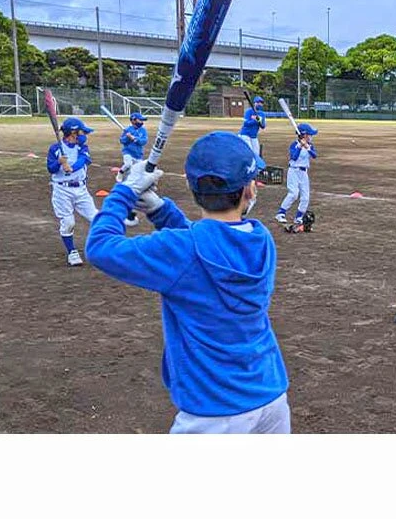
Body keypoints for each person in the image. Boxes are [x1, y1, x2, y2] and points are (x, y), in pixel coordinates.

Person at [86, 131, 290, 434]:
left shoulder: (181, 251)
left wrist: (125, 193)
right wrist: (159, 208)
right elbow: (205, 244)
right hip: (270, 395)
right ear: (249, 190)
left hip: (214, 410)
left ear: (192, 188)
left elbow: (100, 247)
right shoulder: (261, 239)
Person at [46, 117, 99, 267]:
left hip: (81, 189)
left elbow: (83, 160)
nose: (84, 136)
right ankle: (72, 252)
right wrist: (59, 162)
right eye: (82, 132)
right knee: (68, 222)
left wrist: (72, 167)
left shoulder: (82, 148)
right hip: (62, 190)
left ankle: (104, 246)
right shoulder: (55, 149)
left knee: (96, 217)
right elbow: (51, 168)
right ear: (73, 133)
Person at [275, 123, 318, 226]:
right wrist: (299, 146)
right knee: (293, 194)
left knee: (305, 197)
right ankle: (280, 213)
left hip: (304, 173)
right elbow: (294, 157)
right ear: (304, 135)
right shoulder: (294, 145)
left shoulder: (310, 145)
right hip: (293, 171)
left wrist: (307, 147)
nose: (311, 137)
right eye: (309, 135)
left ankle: (299, 217)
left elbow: (314, 155)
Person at [119, 111, 148, 227]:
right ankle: (120, 173)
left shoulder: (143, 131)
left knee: (138, 174)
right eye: (140, 120)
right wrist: (127, 138)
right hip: (128, 153)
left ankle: (127, 186)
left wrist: (134, 138)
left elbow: (143, 142)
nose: (142, 122)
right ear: (134, 120)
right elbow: (122, 141)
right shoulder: (127, 130)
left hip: (138, 155)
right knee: (128, 164)